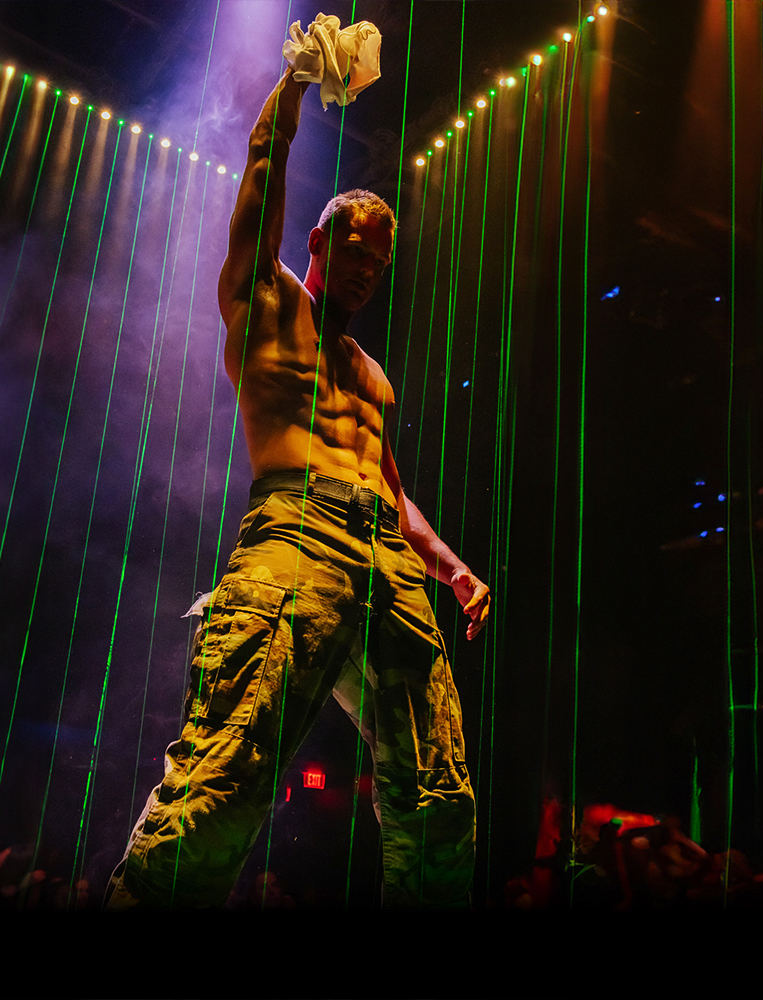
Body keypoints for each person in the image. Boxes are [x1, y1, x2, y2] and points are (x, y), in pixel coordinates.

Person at [105, 59, 490, 910]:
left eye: (380, 261)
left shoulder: (373, 375)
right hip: (296, 531)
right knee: (226, 771)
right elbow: (260, 181)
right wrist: (292, 91)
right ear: (319, 243)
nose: (368, 270)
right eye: (356, 250)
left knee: (440, 796)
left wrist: (452, 567)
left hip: (386, 557)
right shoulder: (269, 303)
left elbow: (392, 490)